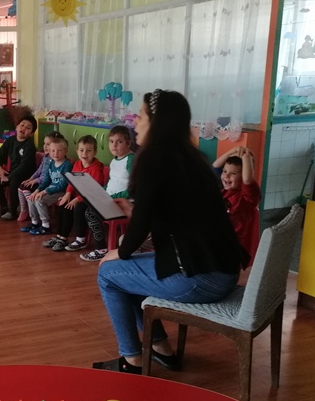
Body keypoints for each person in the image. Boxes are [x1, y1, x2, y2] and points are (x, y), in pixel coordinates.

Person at [93, 89, 248, 375]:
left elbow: (142, 226)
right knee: (128, 271)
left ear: (157, 122)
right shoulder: (192, 158)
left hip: (199, 277)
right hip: (223, 272)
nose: (135, 122)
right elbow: (173, 214)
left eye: (141, 116)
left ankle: (131, 360)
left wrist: (120, 251)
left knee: (109, 273)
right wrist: (135, 213)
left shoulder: (154, 159)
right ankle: (161, 349)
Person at [79, 125, 135, 262]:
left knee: (91, 212)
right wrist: (100, 191)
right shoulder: (114, 160)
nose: (114, 145)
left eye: (119, 141)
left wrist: (111, 197)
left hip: (124, 203)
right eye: (111, 141)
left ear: (128, 143)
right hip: (111, 199)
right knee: (81, 205)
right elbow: (111, 182)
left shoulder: (131, 160)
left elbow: (134, 188)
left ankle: (101, 249)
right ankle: (80, 240)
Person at [45, 135, 106, 252]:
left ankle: (77, 239)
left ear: (95, 152)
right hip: (78, 196)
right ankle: (59, 236)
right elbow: (72, 182)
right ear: (77, 151)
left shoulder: (96, 169)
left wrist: (77, 199)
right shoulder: (77, 164)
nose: (85, 154)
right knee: (62, 204)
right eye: (81, 150)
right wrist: (68, 194)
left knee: (76, 208)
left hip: (91, 198)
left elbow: (93, 190)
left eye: (89, 150)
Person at [212, 145, 261, 252]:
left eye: (234, 173)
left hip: (236, 247)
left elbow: (248, 180)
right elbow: (215, 168)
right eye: (225, 171)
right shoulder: (224, 190)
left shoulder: (247, 198)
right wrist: (233, 150)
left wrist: (246, 156)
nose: (226, 176)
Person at [22, 133, 72, 235]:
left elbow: (63, 185)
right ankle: (35, 222)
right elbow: (46, 181)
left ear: (66, 151)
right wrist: (37, 191)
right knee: (32, 198)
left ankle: (45, 225)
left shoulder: (67, 165)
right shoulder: (51, 163)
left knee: (40, 200)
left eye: (59, 150)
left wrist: (44, 192)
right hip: (50, 189)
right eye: (53, 151)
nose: (56, 153)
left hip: (60, 192)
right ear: (49, 151)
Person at [0, 114, 37, 219]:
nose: (23, 128)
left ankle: (13, 211)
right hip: (14, 173)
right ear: (16, 127)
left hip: (27, 176)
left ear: (31, 134)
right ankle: (4, 207)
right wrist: (1, 170)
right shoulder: (10, 140)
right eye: (22, 125)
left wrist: (9, 177)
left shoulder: (29, 145)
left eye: (28, 128)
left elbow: (24, 166)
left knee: (14, 181)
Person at [16, 135, 54, 223]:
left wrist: (36, 181)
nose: (45, 146)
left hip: (45, 183)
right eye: (44, 143)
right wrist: (30, 179)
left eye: (48, 144)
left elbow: (47, 176)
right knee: (21, 186)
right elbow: (39, 170)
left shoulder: (53, 160)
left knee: (26, 189)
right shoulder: (45, 157)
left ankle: (32, 209)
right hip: (39, 181)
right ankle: (24, 209)